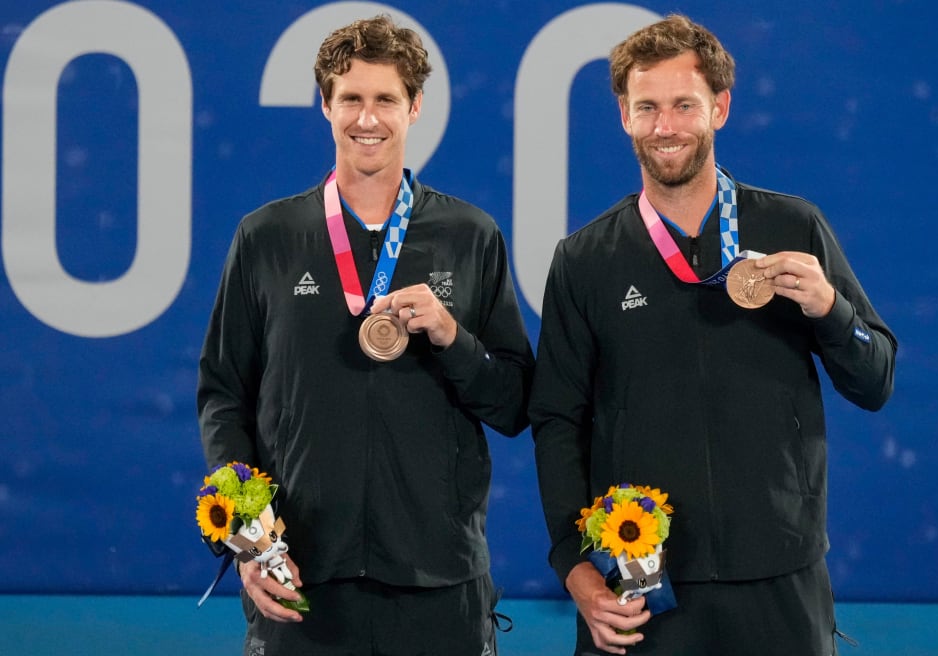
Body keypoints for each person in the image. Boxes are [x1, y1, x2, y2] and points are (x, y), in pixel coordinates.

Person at [529, 14, 897, 656]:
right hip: (644, 583)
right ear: (624, 115)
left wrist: (830, 308)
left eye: (683, 106)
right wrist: (574, 564)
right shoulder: (585, 259)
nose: (665, 126)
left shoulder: (793, 225)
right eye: (647, 107)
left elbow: (876, 380)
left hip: (779, 576)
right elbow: (558, 420)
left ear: (720, 108)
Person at [197, 14, 534, 656]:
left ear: (415, 107)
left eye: (385, 99)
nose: (367, 117)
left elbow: (517, 402)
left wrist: (451, 337)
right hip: (299, 571)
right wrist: (247, 540)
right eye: (350, 98)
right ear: (326, 105)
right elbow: (222, 396)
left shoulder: (470, 236)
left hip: (439, 576)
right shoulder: (266, 237)